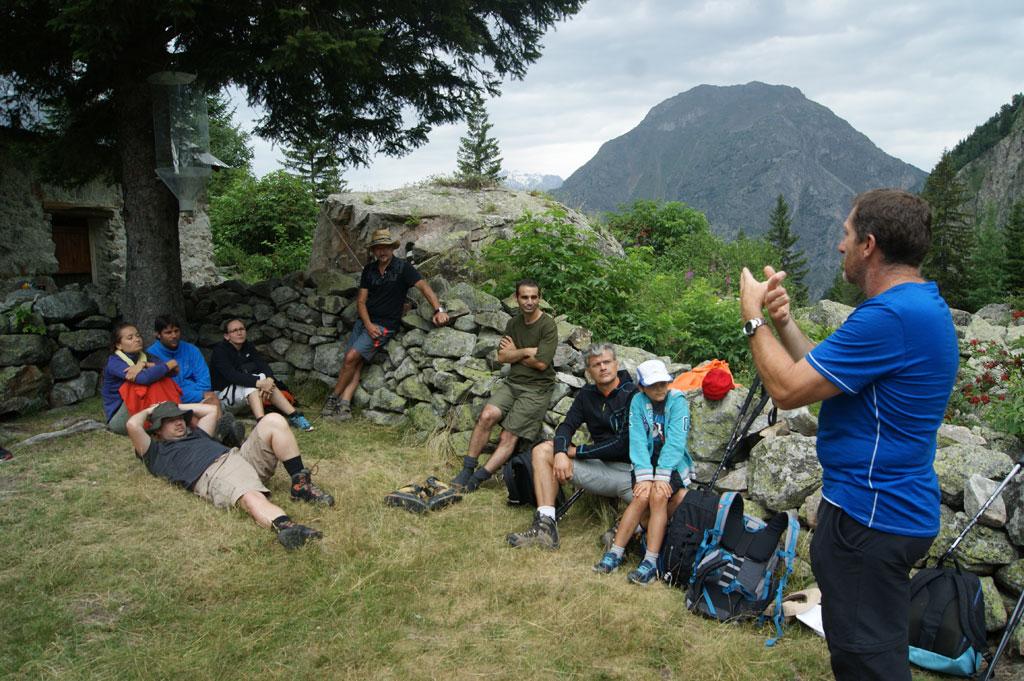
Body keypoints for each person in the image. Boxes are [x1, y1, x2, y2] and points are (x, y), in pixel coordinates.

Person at [738, 189, 958, 681]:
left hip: (870, 518)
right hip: (887, 509)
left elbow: (788, 390)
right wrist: (783, 323)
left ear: (869, 245)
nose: (840, 245)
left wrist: (752, 318)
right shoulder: (914, 306)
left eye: (846, 234)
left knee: (868, 661)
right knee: (868, 648)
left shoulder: (890, 317)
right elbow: (826, 375)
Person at [126, 401, 334, 550]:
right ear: (156, 432)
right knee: (251, 496)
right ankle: (286, 527)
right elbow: (132, 425)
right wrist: (152, 410)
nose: (179, 422)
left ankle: (301, 486)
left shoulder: (197, 434)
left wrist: (174, 406)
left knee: (273, 420)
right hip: (215, 472)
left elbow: (210, 411)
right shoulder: (155, 453)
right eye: (169, 421)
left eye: (180, 418)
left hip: (238, 456)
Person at [506, 342, 638, 550]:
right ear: (588, 371)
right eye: (596, 364)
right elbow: (566, 426)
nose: (603, 367)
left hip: (632, 476)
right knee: (543, 451)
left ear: (616, 364)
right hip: (602, 471)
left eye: (607, 362)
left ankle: (625, 532)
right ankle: (545, 527)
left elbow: (623, 444)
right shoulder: (587, 395)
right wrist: (559, 452)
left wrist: (577, 451)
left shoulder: (633, 394)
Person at [321, 229, 449, 421]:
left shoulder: (403, 268)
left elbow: (424, 287)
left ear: (392, 249)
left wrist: (439, 310)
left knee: (350, 357)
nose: (382, 252)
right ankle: (345, 407)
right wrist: (368, 324)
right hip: (365, 323)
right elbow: (361, 302)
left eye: (385, 247)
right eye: (378, 248)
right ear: (373, 250)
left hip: (385, 326)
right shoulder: (369, 270)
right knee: (354, 363)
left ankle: (332, 399)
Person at [450, 279, 559, 492]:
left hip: (537, 389)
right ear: (517, 298)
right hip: (513, 383)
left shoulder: (547, 325)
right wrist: (527, 350)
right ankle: (467, 468)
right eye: (525, 297)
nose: (529, 302)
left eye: (534, 297)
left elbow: (542, 364)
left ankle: (478, 478)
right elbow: (501, 357)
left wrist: (515, 352)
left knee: (508, 435)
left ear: (539, 298)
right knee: (486, 416)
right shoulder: (513, 323)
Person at [593, 359, 691, 585]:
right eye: (653, 385)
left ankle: (650, 561)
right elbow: (637, 440)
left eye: (663, 383)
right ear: (641, 387)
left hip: (672, 464)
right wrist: (645, 475)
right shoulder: (637, 402)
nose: (659, 389)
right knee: (642, 495)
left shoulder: (677, 402)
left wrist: (662, 476)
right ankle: (616, 552)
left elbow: (676, 441)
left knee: (659, 496)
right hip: (645, 462)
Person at [147, 314, 245, 446]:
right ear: (158, 335)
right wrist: (197, 394)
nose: (174, 335)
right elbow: (170, 387)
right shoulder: (152, 355)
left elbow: (204, 381)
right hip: (173, 400)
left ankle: (221, 438)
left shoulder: (191, 350)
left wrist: (199, 394)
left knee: (212, 399)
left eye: (176, 331)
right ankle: (222, 440)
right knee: (192, 418)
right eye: (168, 332)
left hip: (195, 396)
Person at [210, 318, 313, 432]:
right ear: (227, 336)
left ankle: (295, 415)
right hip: (223, 397)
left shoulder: (247, 346)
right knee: (253, 385)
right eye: (234, 330)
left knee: (265, 381)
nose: (239, 332)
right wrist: (259, 383)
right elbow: (232, 375)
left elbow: (263, 365)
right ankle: (262, 423)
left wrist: (269, 380)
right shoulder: (220, 351)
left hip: (244, 396)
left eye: (241, 329)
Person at [101, 323, 180, 434]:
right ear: (119, 345)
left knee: (163, 379)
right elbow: (143, 379)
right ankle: (167, 418)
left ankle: (170, 417)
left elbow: (172, 372)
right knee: (145, 383)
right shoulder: (114, 362)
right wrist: (171, 363)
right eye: (130, 338)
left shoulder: (146, 356)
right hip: (121, 419)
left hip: (141, 410)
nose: (137, 339)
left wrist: (144, 364)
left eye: (138, 336)